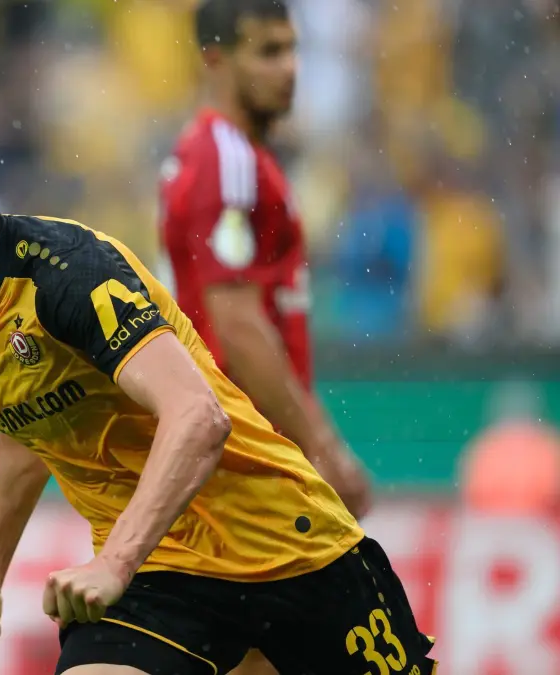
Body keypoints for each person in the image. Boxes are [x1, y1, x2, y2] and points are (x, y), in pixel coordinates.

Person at [0, 94, 436, 675]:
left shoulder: (69, 272)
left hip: (283, 547)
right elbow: (28, 428)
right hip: (156, 574)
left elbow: (199, 419)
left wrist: (112, 565)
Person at [159, 3, 374, 672]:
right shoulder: (227, 159)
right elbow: (236, 320)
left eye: (291, 51)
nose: (289, 71)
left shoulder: (220, 155)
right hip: (245, 451)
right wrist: (322, 446)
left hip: (228, 448)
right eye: (267, 52)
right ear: (216, 59)